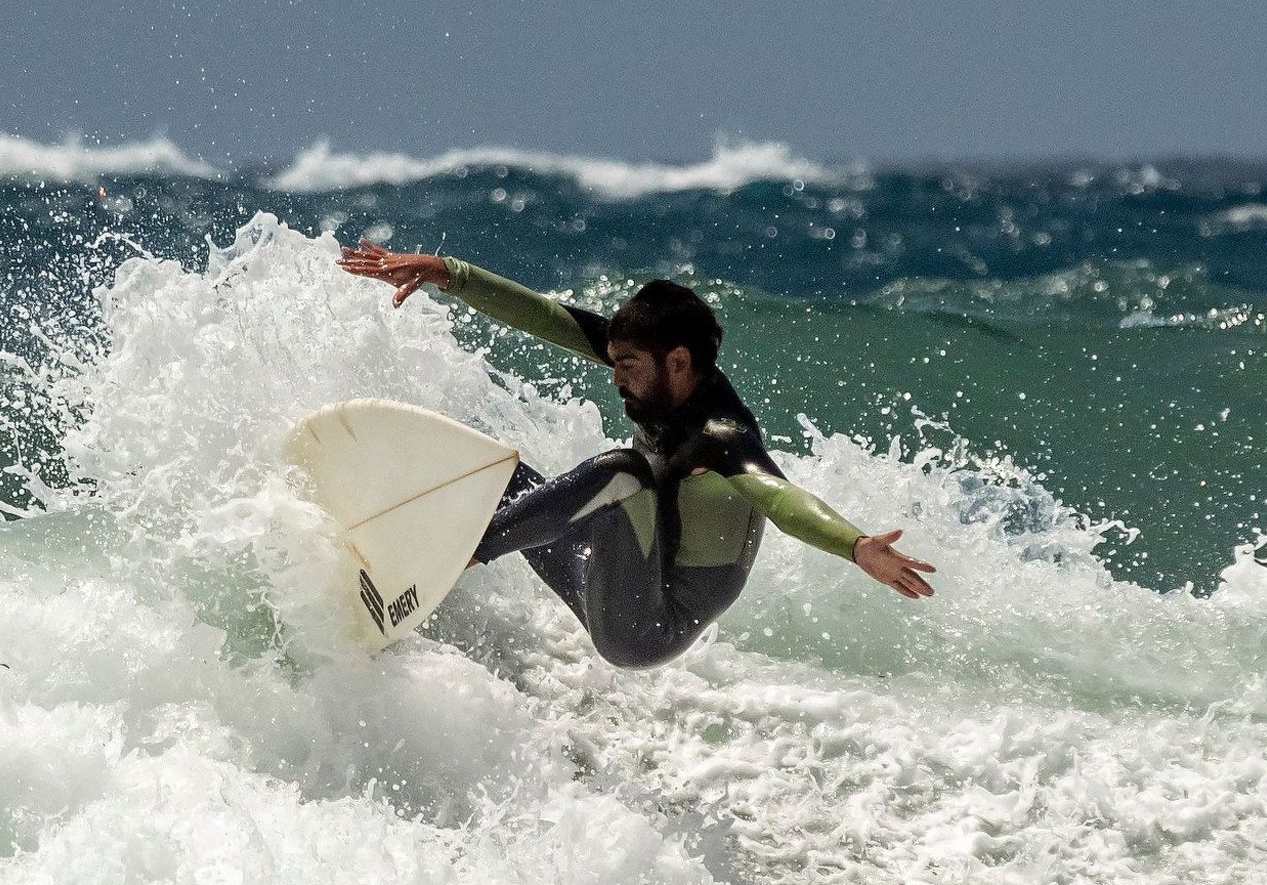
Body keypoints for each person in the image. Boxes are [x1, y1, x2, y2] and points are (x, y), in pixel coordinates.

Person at [336, 241, 934, 668]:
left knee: (623, 473)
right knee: (502, 473)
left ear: (678, 361)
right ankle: (406, 581)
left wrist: (855, 546)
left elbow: (779, 497)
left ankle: (445, 558)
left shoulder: (720, 437)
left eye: (629, 368)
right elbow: (549, 317)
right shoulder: (657, 378)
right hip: (600, 575)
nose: (617, 379)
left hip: (648, 627)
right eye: (615, 363)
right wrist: (448, 271)